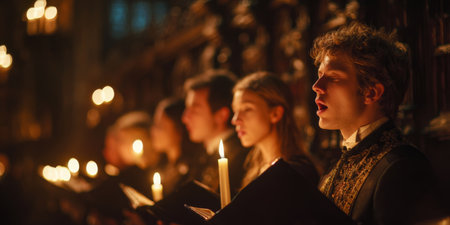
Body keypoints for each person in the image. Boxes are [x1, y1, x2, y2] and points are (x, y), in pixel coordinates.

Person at [311, 22, 435, 224]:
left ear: (371, 92)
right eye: (319, 76)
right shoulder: (336, 169)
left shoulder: (402, 168)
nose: (317, 87)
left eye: (333, 78)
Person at [231, 71, 318, 188]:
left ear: (275, 114)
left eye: (247, 109)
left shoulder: (296, 172)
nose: (235, 120)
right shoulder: (254, 171)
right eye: (235, 111)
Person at [182, 70, 249, 196]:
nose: (185, 118)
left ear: (221, 115)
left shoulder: (239, 159)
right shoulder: (200, 156)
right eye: (187, 108)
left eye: (195, 110)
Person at [150, 97, 204, 195]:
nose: (153, 131)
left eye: (160, 126)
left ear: (178, 129)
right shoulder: (161, 166)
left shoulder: (192, 171)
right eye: (154, 124)